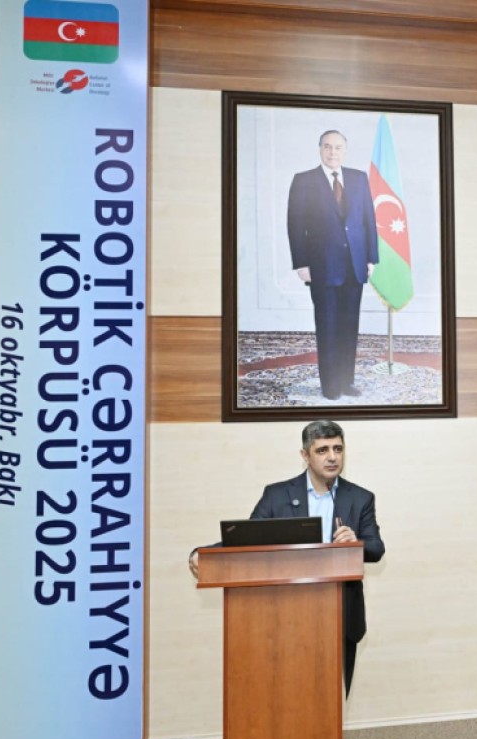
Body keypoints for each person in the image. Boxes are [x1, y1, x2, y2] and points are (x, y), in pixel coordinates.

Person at [190, 420, 385, 694]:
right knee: (285, 693)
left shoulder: (361, 498)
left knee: (334, 696)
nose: (332, 457)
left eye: (338, 449)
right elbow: (247, 539)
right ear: (305, 455)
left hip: (340, 613)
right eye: (322, 450)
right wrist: (206, 553)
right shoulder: (277, 495)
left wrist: (356, 543)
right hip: (283, 614)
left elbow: (376, 549)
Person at [287, 130, 380, 400]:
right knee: (327, 326)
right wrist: (301, 263)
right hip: (321, 266)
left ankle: (346, 381)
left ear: (345, 151)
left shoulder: (359, 178)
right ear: (320, 149)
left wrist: (371, 258)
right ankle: (330, 386)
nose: (333, 152)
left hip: (355, 265)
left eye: (338, 147)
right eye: (327, 146)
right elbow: (295, 225)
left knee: (349, 327)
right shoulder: (304, 181)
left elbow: (369, 220)